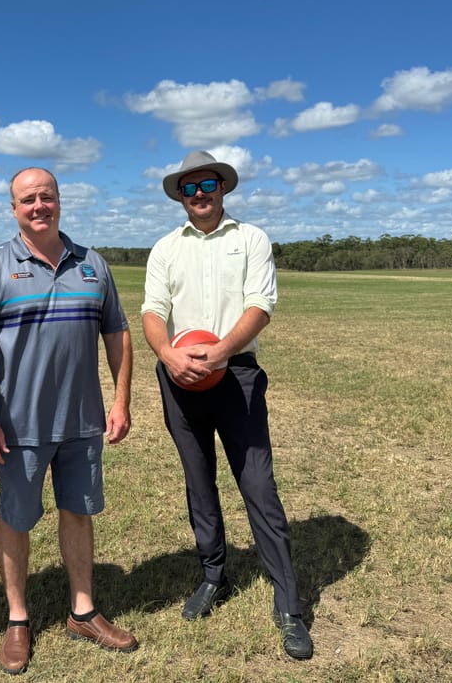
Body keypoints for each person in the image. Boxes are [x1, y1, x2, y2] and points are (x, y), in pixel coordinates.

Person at [0, 167, 137, 675]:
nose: (39, 205)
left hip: (83, 423)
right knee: (16, 518)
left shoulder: (92, 265)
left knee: (78, 512)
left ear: (60, 202)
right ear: (13, 208)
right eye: (27, 199)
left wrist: (120, 401)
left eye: (47, 196)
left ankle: (83, 610)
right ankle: (18, 619)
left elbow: (117, 334)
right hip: (19, 427)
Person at [141, 150, 313, 660]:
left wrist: (221, 352)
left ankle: (289, 606)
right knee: (199, 481)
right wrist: (170, 355)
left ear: (223, 188)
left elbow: (261, 305)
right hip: (179, 377)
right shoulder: (165, 248)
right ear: (180, 195)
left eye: (208, 184)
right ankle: (213, 576)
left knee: (258, 485)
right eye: (189, 188)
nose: (199, 195)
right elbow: (153, 311)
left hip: (235, 375)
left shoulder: (251, 239)